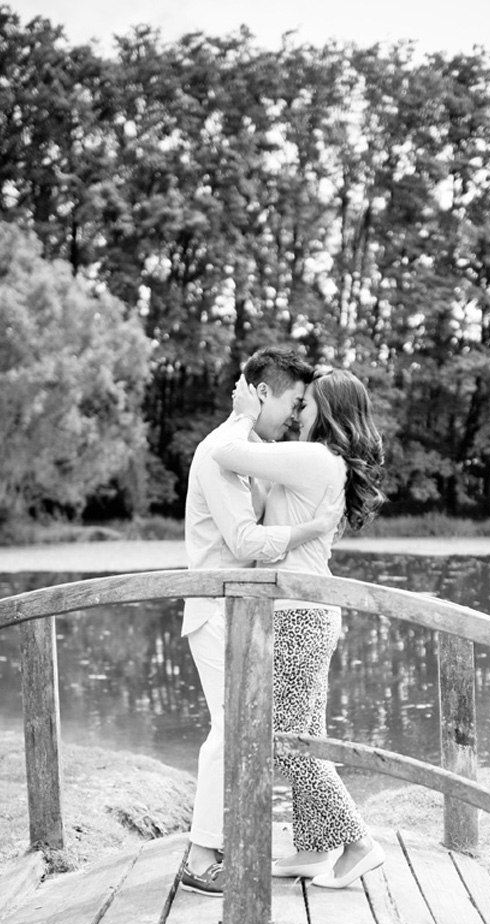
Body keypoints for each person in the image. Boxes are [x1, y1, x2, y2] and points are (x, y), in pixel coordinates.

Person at [212, 366, 386, 889]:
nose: (296, 414)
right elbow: (266, 509)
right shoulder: (318, 465)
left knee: (288, 740)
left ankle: (358, 842)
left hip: (297, 616)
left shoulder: (316, 457)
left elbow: (228, 454)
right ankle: (314, 849)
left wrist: (244, 416)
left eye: (305, 405)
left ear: (326, 412)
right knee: (305, 735)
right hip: (308, 612)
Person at [181, 347, 342, 895]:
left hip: (241, 615)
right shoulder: (218, 452)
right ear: (263, 394)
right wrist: (312, 528)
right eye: (293, 403)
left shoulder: (249, 451)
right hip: (215, 611)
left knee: (242, 730)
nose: (296, 416)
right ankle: (203, 860)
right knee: (231, 731)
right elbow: (246, 542)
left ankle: (225, 846)